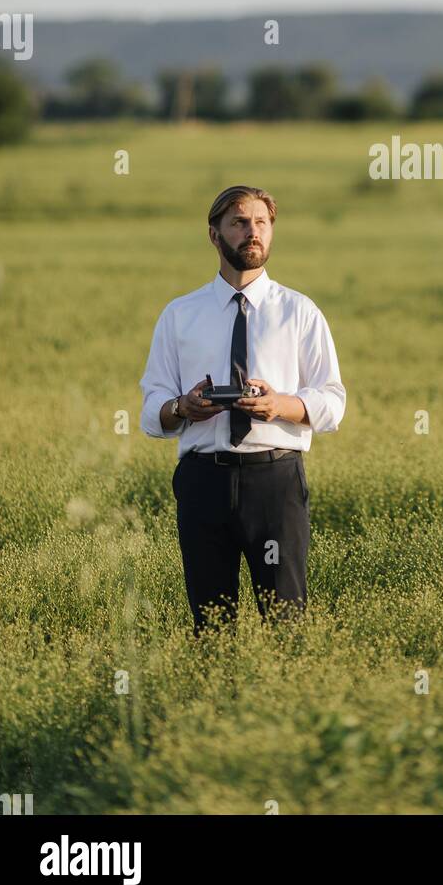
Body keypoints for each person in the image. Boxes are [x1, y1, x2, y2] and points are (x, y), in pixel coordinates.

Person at [139, 184, 346, 634]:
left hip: (275, 483)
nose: (253, 232)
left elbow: (333, 401)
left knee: (285, 621)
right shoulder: (180, 315)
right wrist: (184, 406)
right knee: (210, 625)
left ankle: (283, 701)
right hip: (202, 482)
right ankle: (215, 700)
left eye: (261, 223)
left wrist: (281, 405)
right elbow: (152, 409)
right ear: (214, 235)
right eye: (239, 223)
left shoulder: (300, 312)